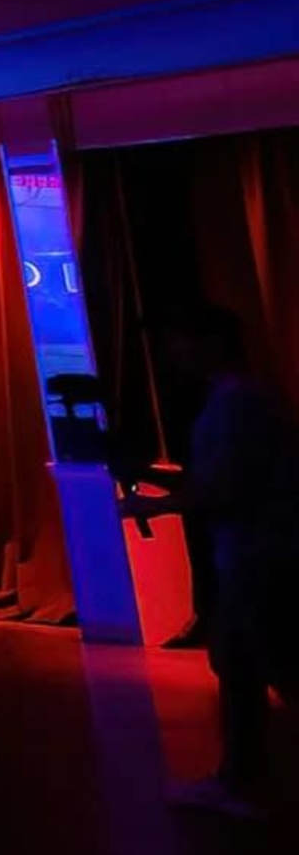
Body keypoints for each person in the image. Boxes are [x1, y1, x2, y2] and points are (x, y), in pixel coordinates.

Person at [159, 304, 297, 817]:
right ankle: (241, 781)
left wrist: (156, 501)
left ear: (209, 345)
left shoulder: (236, 403)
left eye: (181, 342)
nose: (174, 355)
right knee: (251, 666)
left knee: (252, 668)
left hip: (258, 558)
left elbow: (227, 488)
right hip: (257, 555)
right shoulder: (242, 398)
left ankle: (242, 783)